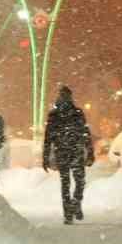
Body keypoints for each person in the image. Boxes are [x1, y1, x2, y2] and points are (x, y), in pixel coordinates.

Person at [43, 86, 94, 223]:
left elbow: (48, 138)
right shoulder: (77, 113)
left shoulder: (53, 115)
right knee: (80, 181)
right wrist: (90, 152)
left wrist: (45, 156)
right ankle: (76, 203)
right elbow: (86, 133)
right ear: (71, 97)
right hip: (75, 151)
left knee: (65, 183)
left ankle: (68, 214)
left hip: (62, 152)